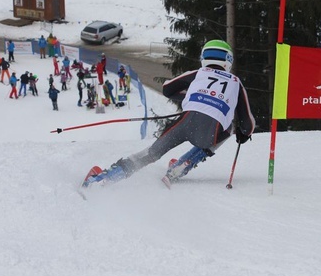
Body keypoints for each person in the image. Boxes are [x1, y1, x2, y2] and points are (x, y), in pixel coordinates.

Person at [83, 40, 255, 187]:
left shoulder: (199, 73)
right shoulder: (236, 83)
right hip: (209, 135)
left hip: (185, 123)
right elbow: (248, 124)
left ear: (203, 58)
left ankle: (105, 179)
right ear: (228, 60)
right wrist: (244, 134)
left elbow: (167, 88)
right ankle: (182, 166)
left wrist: (194, 97)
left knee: (151, 153)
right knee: (228, 129)